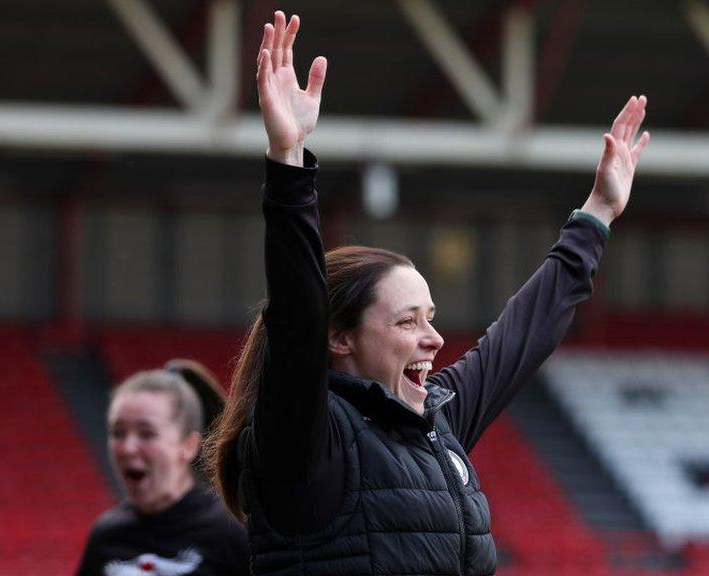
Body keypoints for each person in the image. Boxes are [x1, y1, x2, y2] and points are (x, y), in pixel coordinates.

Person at [205, 11, 649, 576]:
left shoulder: (433, 422)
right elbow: (295, 314)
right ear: (338, 337)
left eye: (430, 318)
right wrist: (287, 159)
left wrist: (599, 212)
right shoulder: (306, 439)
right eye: (407, 321)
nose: (434, 339)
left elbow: (520, 337)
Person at [77, 363, 248, 576]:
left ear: (188, 445)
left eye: (147, 434)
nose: (128, 448)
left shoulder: (231, 532)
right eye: (118, 433)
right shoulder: (106, 535)